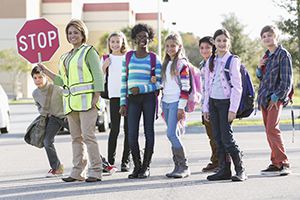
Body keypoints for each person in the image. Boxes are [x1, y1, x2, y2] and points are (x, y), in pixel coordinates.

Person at [38, 19, 103, 182]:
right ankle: (78, 172)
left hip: (88, 101)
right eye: (70, 33)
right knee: (76, 138)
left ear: (82, 34)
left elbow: (98, 75)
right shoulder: (65, 56)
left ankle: (96, 171)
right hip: (71, 104)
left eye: (76, 32)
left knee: (88, 136)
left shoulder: (89, 51)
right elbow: (62, 81)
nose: (72, 35)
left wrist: (96, 97)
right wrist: (45, 71)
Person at [203, 29, 247, 182]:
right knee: (217, 138)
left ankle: (240, 170)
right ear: (214, 43)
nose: (221, 43)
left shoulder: (233, 60)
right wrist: (206, 108)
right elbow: (207, 86)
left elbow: (237, 87)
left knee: (227, 138)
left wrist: (233, 109)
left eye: (224, 40)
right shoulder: (211, 61)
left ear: (229, 42)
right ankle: (224, 170)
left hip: (226, 104)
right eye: (218, 40)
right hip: (213, 103)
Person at [119, 23, 161, 179]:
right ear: (135, 39)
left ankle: (146, 167)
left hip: (148, 99)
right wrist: (123, 103)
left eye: (145, 36)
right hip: (132, 100)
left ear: (150, 39)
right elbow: (124, 81)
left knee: (149, 132)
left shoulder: (154, 58)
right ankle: (136, 166)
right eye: (139, 37)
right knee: (131, 134)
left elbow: (159, 83)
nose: (142, 39)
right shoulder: (128, 57)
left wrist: (142, 89)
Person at [257, 25, 293, 176]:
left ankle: (283, 163)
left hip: (275, 98)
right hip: (264, 98)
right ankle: (275, 162)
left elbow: (287, 80)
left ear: (276, 36)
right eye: (264, 36)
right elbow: (263, 79)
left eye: (270, 35)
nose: (267, 38)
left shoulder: (283, 54)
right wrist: (259, 68)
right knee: (269, 130)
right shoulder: (266, 56)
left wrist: (277, 96)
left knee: (272, 128)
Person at [161, 33, 191, 178]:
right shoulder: (166, 63)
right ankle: (177, 166)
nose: (170, 48)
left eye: (173, 45)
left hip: (176, 103)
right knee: (175, 134)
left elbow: (185, 87)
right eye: (167, 46)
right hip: (166, 102)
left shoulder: (181, 64)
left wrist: (181, 107)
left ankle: (184, 166)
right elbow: (166, 84)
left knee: (171, 134)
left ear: (179, 46)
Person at [101, 31, 131, 172]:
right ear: (109, 44)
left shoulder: (128, 57)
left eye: (117, 42)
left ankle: (126, 161)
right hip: (114, 97)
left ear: (122, 43)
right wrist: (104, 67)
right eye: (112, 42)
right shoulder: (106, 58)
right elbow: (101, 78)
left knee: (128, 129)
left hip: (128, 96)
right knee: (114, 130)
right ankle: (110, 162)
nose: (115, 44)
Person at [31, 66, 66, 177]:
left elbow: (67, 99)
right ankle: (57, 167)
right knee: (47, 141)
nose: (38, 80)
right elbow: (39, 106)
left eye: (40, 77)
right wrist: (44, 112)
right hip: (53, 119)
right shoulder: (35, 93)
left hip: (66, 117)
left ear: (45, 77)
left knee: (83, 138)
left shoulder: (57, 88)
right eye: (35, 78)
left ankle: (103, 164)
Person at [198, 36, 219, 172]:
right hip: (204, 105)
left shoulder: (217, 62)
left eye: (207, 47)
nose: (205, 50)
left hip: (216, 104)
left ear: (213, 49)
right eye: (202, 48)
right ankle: (215, 161)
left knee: (219, 135)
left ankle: (222, 162)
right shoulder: (202, 64)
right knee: (211, 136)